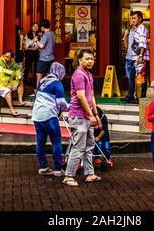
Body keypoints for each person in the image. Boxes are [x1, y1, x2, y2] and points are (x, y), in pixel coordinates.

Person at [63, 49, 102, 187]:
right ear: (80, 60)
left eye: (92, 58)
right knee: (79, 147)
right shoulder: (79, 74)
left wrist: (96, 114)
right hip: (79, 116)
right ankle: (68, 176)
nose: (90, 61)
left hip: (87, 116)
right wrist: (91, 115)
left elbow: (91, 96)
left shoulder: (89, 74)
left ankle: (89, 174)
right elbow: (81, 96)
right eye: (87, 59)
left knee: (89, 146)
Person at [32, 62, 69, 177]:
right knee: (56, 141)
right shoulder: (57, 83)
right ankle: (58, 169)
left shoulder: (42, 81)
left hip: (37, 116)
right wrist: (69, 106)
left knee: (40, 142)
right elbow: (61, 102)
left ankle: (43, 167)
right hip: (49, 116)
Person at [123, 10, 150, 103]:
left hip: (140, 57)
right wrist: (126, 35)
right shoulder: (135, 30)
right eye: (132, 18)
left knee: (141, 77)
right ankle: (133, 96)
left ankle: (142, 97)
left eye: (134, 18)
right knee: (134, 77)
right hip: (133, 57)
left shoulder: (142, 29)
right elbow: (128, 45)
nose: (133, 20)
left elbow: (143, 43)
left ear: (140, 19)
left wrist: (141, 56)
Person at [0, 49, 26, 117]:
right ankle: (11, 110)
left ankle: (20, 101)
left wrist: (20, 76)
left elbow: (17, 76)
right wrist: (7, 86)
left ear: (12, 58)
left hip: (8, 84)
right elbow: (0, 76)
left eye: (8, 57)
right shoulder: (0, 63)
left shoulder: (15, 65)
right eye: (5, 56)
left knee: (20, 82)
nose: (5, 58)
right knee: (7, 91)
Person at [35, 19, 55, 89]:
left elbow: (41, 46)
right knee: (48, 76)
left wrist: (36, 40)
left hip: (44, 58)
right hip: (51, 58)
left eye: (41, 27)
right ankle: (47, 91)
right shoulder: (52, 33)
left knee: (39, 75)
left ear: (43, 27)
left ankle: (38, 91)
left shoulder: (46, 34)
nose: (40, 28)